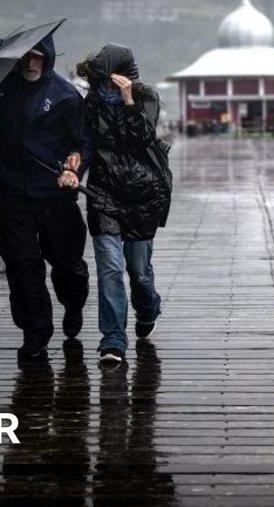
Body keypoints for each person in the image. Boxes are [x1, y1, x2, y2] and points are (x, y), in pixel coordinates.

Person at [0, 36, 91, 363]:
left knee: (67, 264)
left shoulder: (66, 96)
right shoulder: (0, 92)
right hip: (13, 192)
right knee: (21, 265)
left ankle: (73, 303)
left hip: (55, 193)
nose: (31, 63)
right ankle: (35, 333)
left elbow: (81, 143)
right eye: (26, 57)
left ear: (48, 58)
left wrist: (73, 168)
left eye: (38, 57)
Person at [75, 44, 172, 365]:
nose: (104, 85)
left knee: (139, 272)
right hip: (104, 194)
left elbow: (142, 139)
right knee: (110, 268)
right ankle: (113, 340)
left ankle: (148, 307)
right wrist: (72, 169)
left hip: (144, 194)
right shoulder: (91, 104)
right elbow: (86, 145)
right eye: (100, 80)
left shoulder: (146, 98)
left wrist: (129, 101)